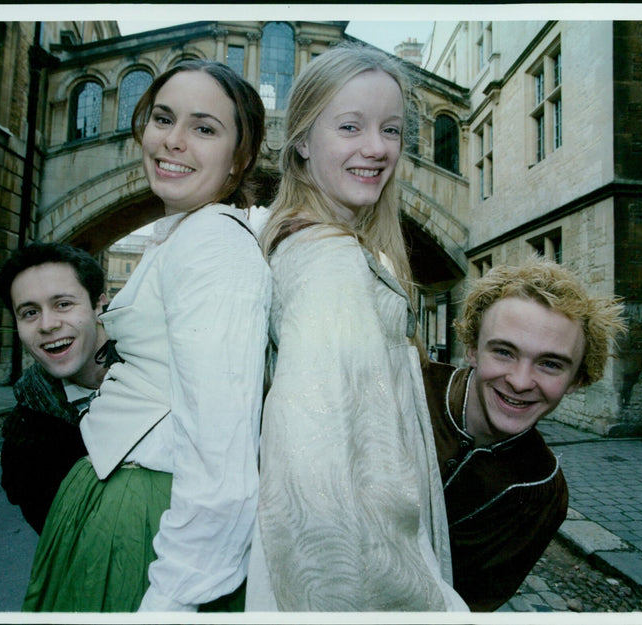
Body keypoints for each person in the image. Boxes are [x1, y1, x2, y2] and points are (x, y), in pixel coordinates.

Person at [22, 60, 271, 612]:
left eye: (204, 128)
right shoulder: (183, 234)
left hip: (152, 520)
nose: (173, 141)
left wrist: (174, 598)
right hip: (121, 498)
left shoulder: (213, 244)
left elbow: (220, 449)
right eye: (163, 118)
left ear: (240, 158)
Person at [246, 44, 467, 612]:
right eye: (350, 127)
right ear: (300, 141)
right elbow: (320, 493)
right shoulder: (330, 261)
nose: (376, 149)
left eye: (391, 130)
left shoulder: (316, 242)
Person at [423, 256, 626, 611]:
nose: (519, 381)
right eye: (503, 352)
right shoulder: (408, 388)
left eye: (550, 364)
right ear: (472, 348)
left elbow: (466, 604)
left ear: (577, 379)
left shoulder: (541, 492)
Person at [0, 242, 112, 534]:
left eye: (63, 304)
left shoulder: (167, 377)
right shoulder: (25, 446)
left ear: (99, 304)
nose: (47, 325)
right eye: (30, 312)